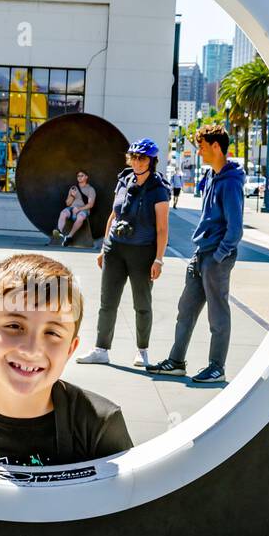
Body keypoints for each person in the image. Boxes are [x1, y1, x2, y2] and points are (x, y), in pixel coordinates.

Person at [0, 254, 132, 465]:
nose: (31, 350)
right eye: (14, 326)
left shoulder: (100, 426)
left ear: (69, 350)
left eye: (52, 333)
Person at [148, 122, 245, 384]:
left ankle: (217, 367)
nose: (199, 152)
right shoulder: (212, 176)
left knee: (218, 315)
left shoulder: (231, 182)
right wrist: (200, 256)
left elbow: (235, 229)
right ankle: (176, 362)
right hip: (201, 254)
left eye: (201, 147)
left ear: (216, 146)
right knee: (186, 310)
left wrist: (217, 257)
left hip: (216, 257)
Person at [76, 138, 170, 369]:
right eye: (134, 157)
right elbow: (113, 215)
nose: (137, 162)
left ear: (152, 161)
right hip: (115, 249)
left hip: (143, 252)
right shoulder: (124, 181)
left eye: (142, 158)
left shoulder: (159, 190)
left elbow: (162, 228)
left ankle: (142, 351)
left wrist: (158, 259)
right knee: (107, 302)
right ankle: (101, 349)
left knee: (142, 304)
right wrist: (104, 247)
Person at [49, 170, 96, 246]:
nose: (79, 177)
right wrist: (72, 196)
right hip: (72, 208)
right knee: (63, 213)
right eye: (78, 176)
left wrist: (79, 209)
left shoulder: (90, 189)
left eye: (82, 176)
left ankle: (69, 237)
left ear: (86, 177)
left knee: (80, 217)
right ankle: (59, 231)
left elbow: (90, 204)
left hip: (83, 210)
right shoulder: (73, 188)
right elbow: (68, 203)